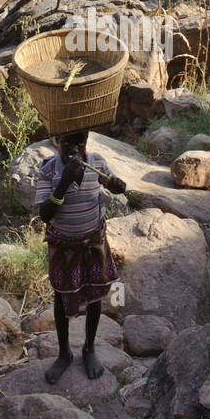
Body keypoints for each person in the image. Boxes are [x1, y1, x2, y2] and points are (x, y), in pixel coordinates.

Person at [35, 129, 126, 382]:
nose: (75, 149)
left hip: (93, 242)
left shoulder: (95, 162)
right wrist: (64, 182)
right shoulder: (48, 170)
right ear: (57, 142)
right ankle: (64, 353)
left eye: (81, 143)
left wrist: (117, 186)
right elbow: (44, 215)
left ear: (87, 142)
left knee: (95, 293)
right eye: (68, 144)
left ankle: (89, 348)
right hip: (64, 246)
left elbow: (110, 182)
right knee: (62, 298)